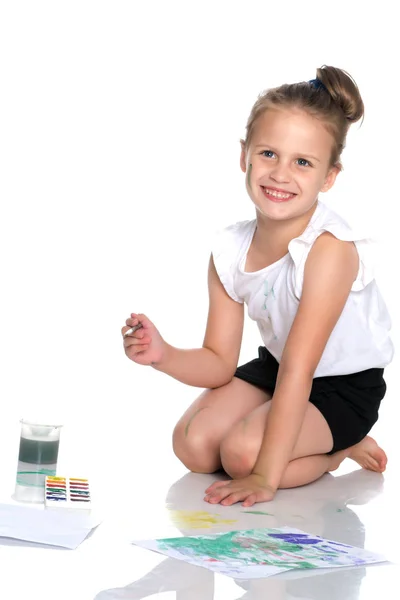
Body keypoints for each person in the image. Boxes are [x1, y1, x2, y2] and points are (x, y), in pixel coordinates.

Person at [122, 65, 394, 507]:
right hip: (277, 368)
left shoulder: (328, 251)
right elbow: (217, 362)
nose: (280, 174)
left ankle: (339, 450)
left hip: (342, 385)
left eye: (302, 162)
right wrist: (163, 355)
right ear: (244, 154)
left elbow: (300, 372)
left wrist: (265, 476)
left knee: (243, 457)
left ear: (329, 177)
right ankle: (292, 442)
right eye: (269, 153)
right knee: (192, 445)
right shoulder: (230, 249)